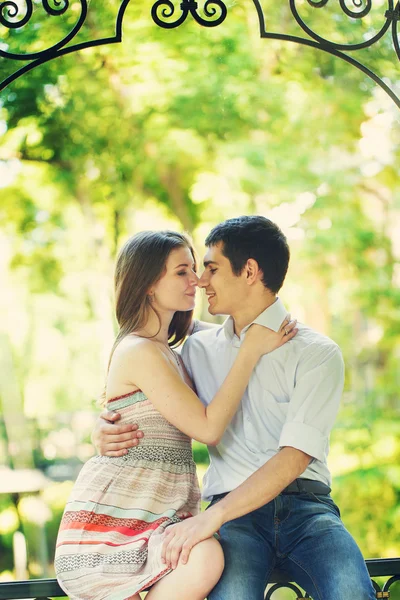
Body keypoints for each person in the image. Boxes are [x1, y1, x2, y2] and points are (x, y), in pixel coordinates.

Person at [94, 216, 376, 600]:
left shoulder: (317, 353)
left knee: (351, 591)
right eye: (193, 270)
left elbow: (294, 457)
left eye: (210, 268)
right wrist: (103, 426)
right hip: (235, 520)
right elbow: (146, 388)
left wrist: (210, 519)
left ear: (250, 272)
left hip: (309, 511)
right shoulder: (196, 349)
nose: (200, 280)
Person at [54, 229, 296, 600]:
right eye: (182, 272)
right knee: (205, 556)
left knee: (205, 556)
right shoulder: (139, 350)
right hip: (116, 524)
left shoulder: (175, 347)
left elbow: (241, 327)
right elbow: (208, 428)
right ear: (149, 283)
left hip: (159, 519)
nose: (197, 281)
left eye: (196, 270)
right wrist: (251, 351)